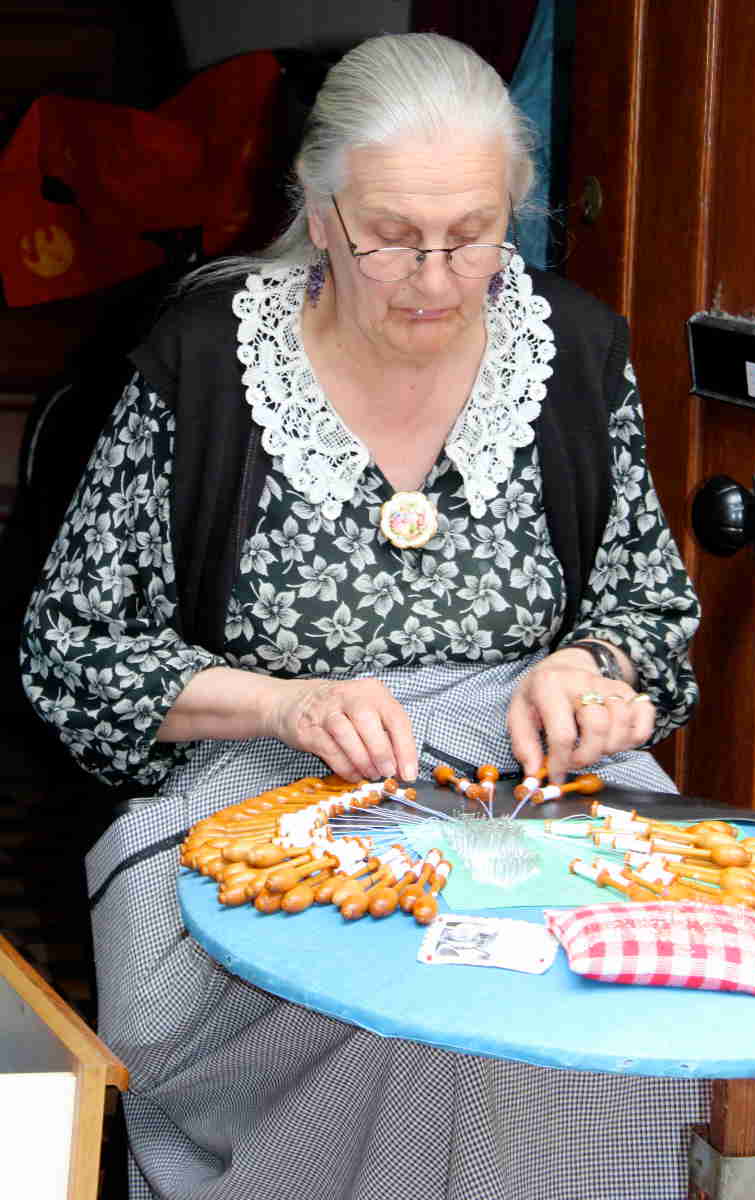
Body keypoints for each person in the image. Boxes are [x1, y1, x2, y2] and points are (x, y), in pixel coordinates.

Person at [21, 32, 705, 1200]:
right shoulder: (205, 364)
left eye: (473, 235)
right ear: (319, 208)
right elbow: (70, 651)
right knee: (409, 988)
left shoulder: (578, 352)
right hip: (265, 784)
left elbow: (648, 606)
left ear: (515, 210)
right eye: (391, 237)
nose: (436, 279)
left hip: (533, 786)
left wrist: (582, 668)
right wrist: (285, 703)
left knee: (591, 984)